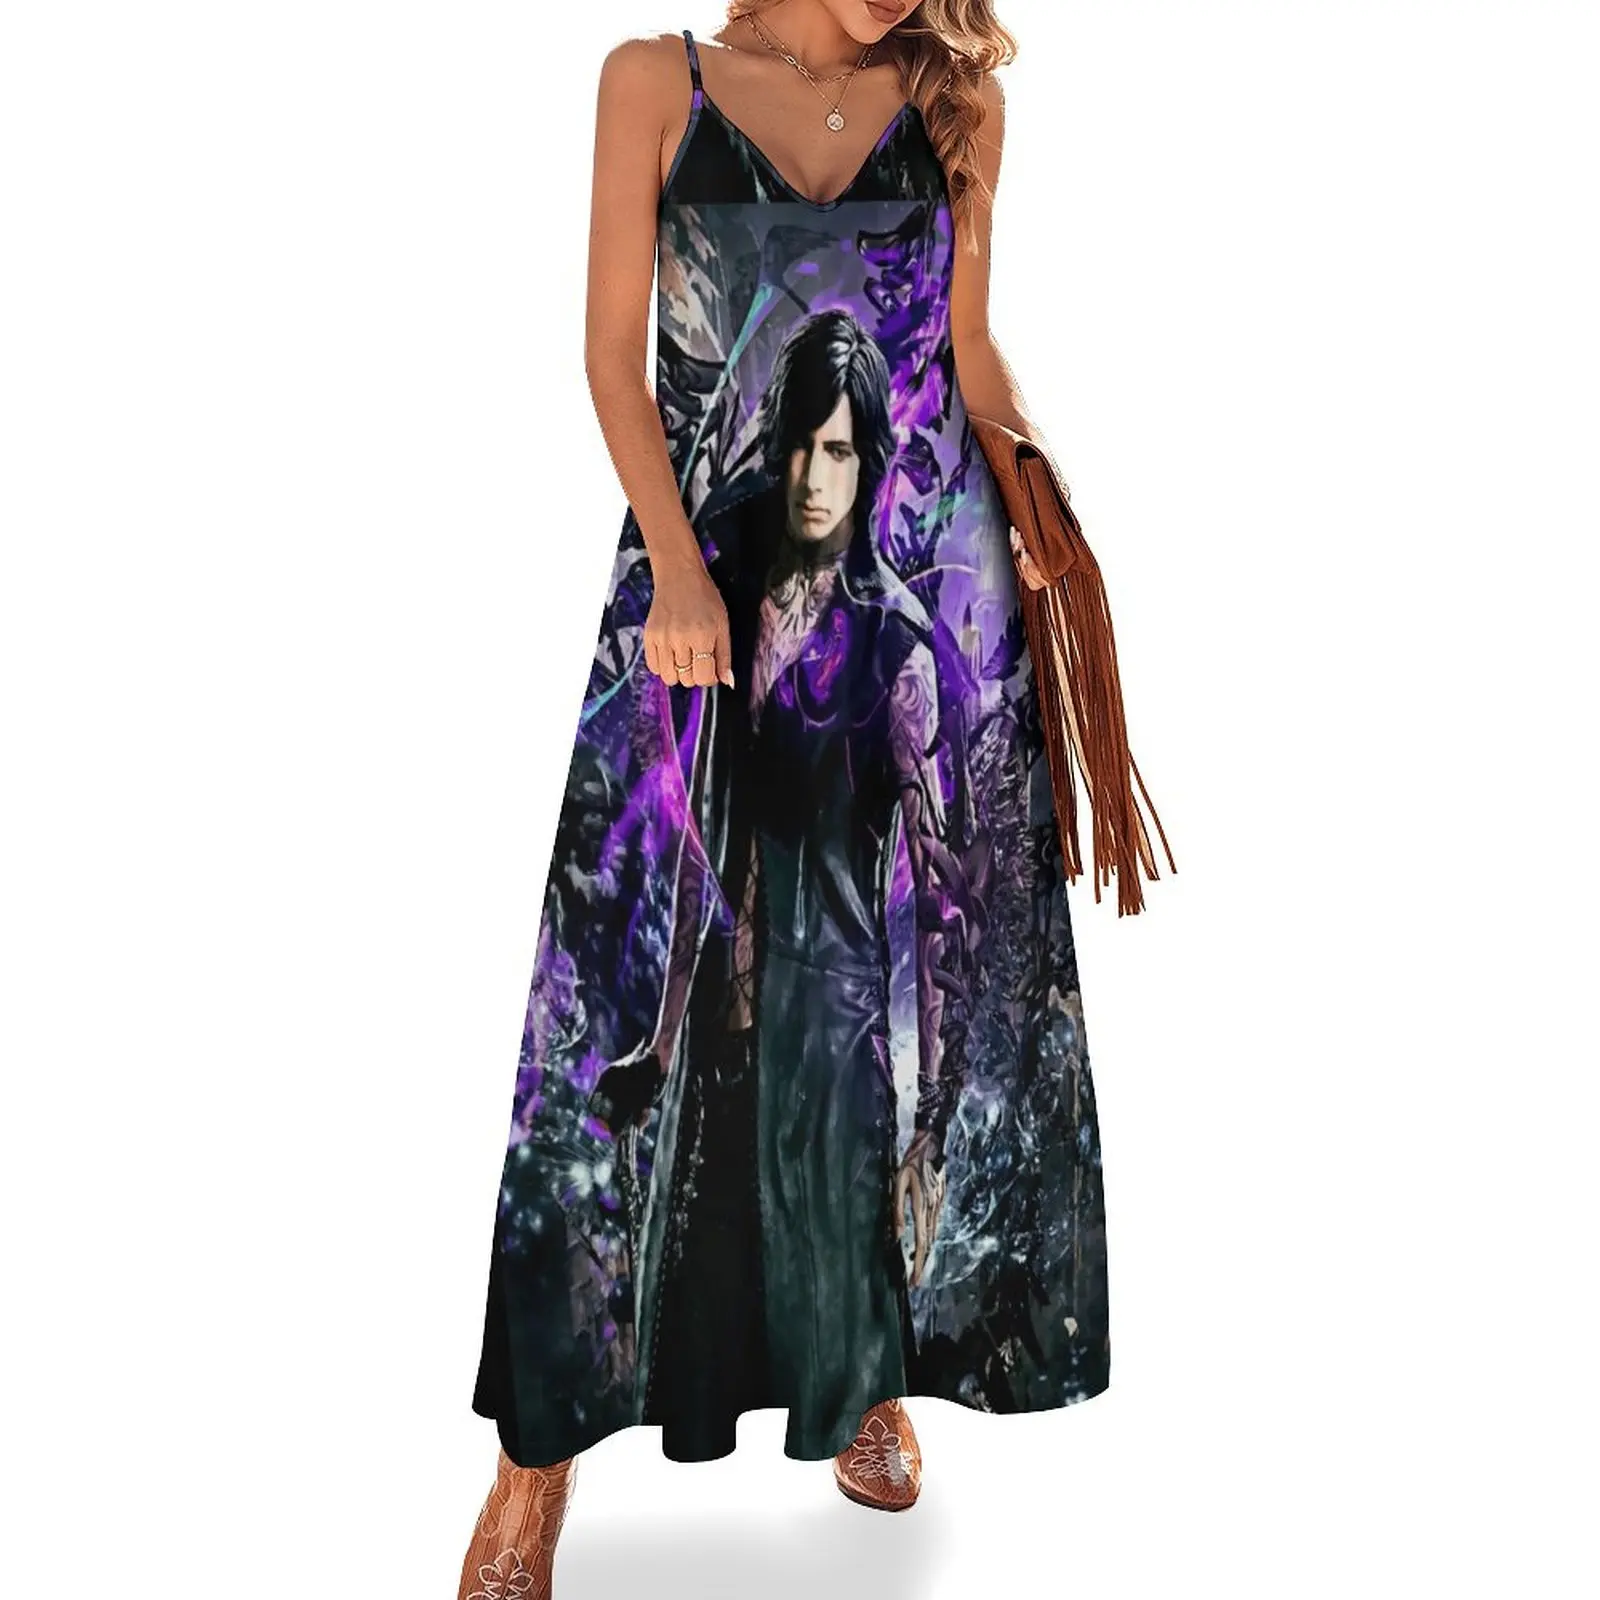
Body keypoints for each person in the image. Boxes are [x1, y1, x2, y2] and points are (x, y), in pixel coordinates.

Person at [461, 5, 1109, 1595]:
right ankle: (536, 1457)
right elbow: (614, 360)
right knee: (618, 1002)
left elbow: (961, 352)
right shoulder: (655, 85)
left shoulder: (953, 105)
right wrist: (678, 568)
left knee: (886, 990)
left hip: (911, 603)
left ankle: (863, 1366)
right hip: (700, 601)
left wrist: (1034, 486)